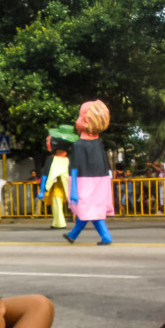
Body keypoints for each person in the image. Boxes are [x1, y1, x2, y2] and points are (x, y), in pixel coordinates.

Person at [63, 102, 114, 245]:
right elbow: (105, 164)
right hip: (100, 180)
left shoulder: (78, 145)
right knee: (90, 210)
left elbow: (74, 166)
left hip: (82, 182)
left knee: (87, 211)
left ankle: (102, 236)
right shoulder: (99, 143)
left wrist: (73, 189)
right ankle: (73, 235)